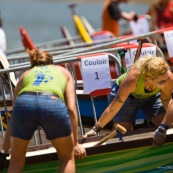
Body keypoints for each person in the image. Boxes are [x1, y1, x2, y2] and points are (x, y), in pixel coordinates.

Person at [7, 49, 86, 173]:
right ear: (52, 63)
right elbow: (71, 109)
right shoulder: (64, 72)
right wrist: (75, 143)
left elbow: (14, 115)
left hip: (24, 103)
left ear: (32, 64)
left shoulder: (25, 74)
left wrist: (4, 149)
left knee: (16, 161)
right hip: (51, 102)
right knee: (67, 158)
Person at [84, 55, 173, 137]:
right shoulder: (132, 80)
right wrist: (96, 129)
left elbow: (166, 100)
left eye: (167, 78)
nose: (166, 83)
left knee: (168, 125)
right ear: (149, 79)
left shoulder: (167, 78)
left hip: (152, 97)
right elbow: (113, 108)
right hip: (128, 97)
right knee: (121, 133)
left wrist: (167, 123)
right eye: (162, 82)